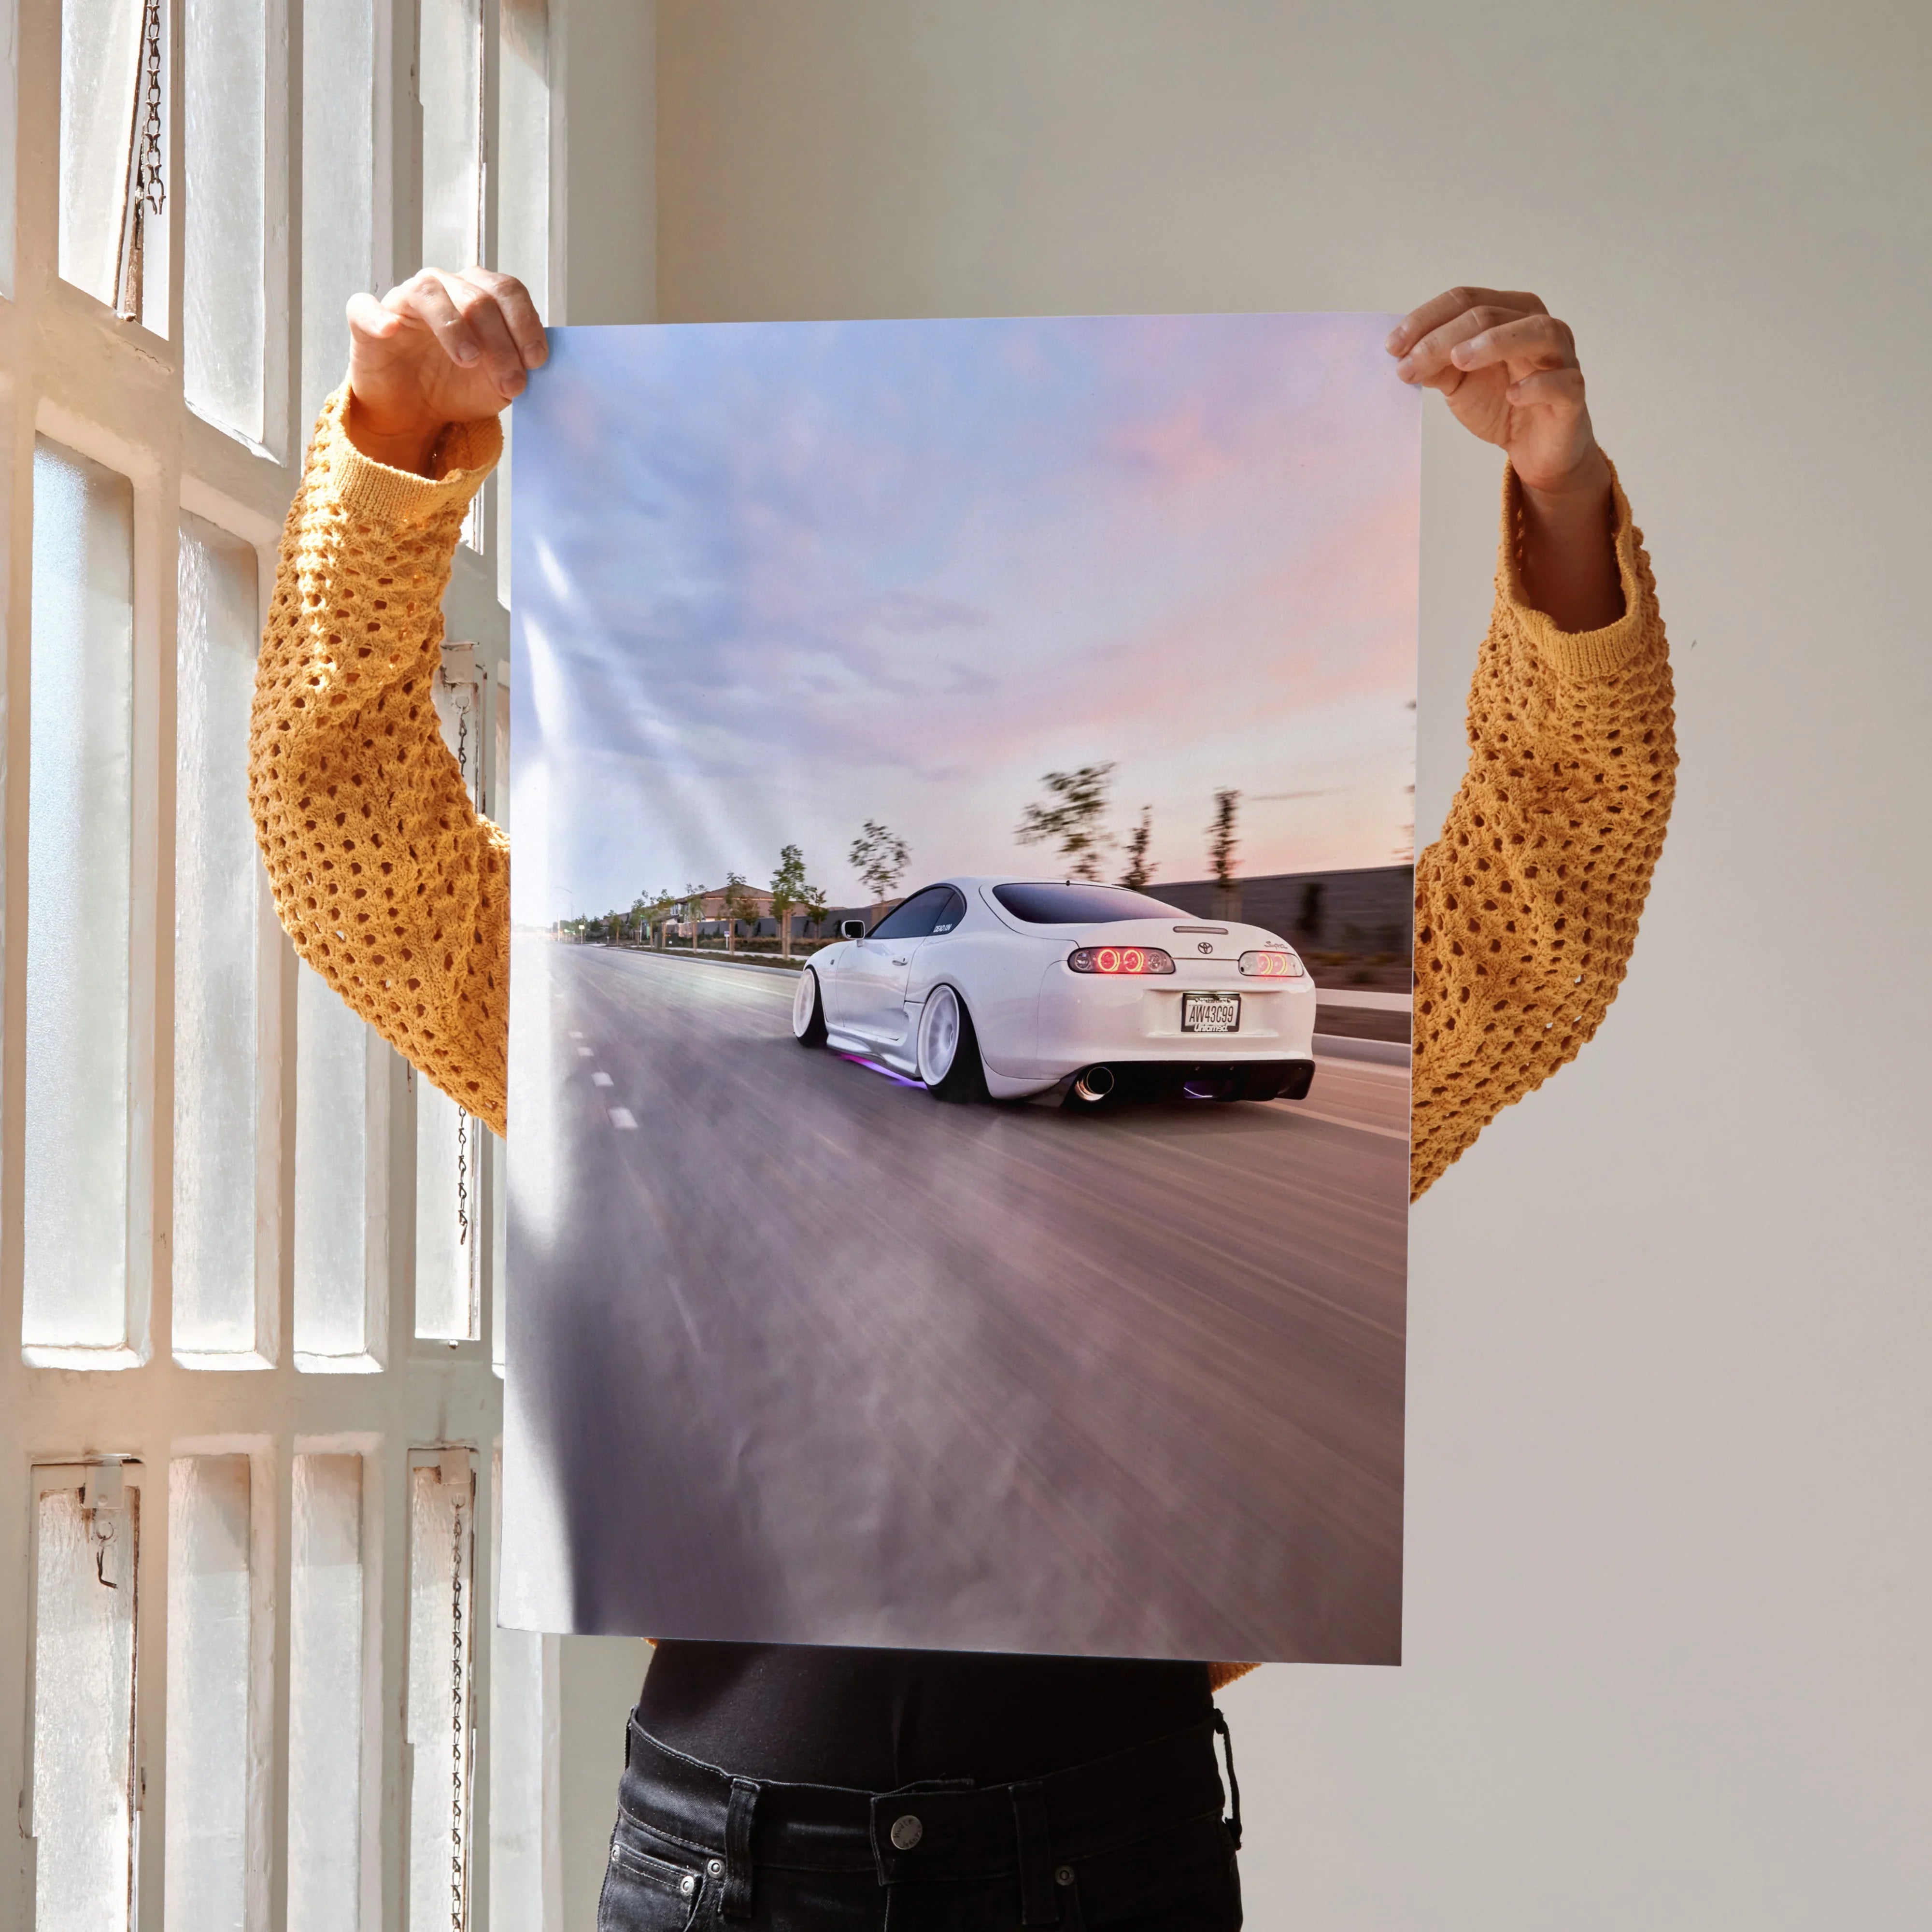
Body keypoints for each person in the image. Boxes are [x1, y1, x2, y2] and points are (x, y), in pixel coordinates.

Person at [249, 270, 1675, 1930]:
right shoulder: (588, 1029)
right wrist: (393, 445)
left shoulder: (1217, 1070)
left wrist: (1562, 497)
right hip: (749, 1859)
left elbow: (1543, 904)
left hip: (1082, 1848)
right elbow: (346, 835)